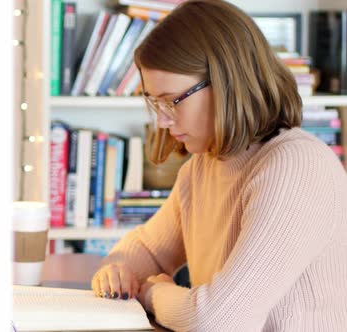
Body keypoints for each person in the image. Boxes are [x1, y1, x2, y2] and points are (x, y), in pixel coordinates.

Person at [90, 0, 347, 331]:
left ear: (226, 83)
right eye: (156, 103)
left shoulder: (297, 167)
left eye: (172, 101)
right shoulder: (203, 167)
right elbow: (145, 251)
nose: (163, 121)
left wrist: (152, 292)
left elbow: (218, 320)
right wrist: (117, 272)